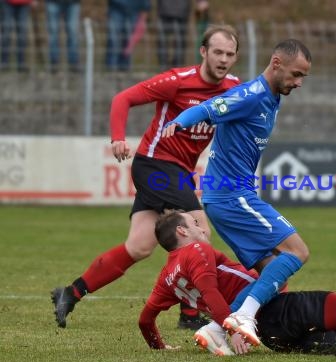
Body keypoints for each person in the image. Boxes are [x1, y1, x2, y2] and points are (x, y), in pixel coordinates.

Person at [50, 24, 241, 329]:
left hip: (177, 172)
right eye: (217, 52)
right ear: (203, 52)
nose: (223, 59)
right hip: (155, 164)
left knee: (139, 246)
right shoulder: (178, 81)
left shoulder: (234, 88)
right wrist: (117, 137)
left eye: (230, 54)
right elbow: (122, 99)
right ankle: (190, 314)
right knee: (199, 231)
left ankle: (70, 293)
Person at [161, 39, 312, 346]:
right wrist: (179, 121)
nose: (298, 83)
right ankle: (242, 316)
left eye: (303, 77)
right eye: (296, 74)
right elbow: (208, 107)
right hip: (233, 196)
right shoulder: (251, 95)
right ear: (276, 63)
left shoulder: (271, 96)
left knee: (273, 275)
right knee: (297, 251)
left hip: (227, 198)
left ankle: (217, 329)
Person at [138, 210, 336, 356]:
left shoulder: (166, 276)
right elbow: (210, 291)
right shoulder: (197, 250)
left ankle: (328, 346)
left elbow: (145, 318)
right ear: (182, 232)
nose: (200, 226)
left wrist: (158, 346)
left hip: (268, 330)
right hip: (268, 310)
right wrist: (231, 326)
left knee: (332, 337)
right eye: (194, 223)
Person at [104, 0, 150, 71]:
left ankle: (124, 68)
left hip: (135, 8)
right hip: (116, 7)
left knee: (128, 41)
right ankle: (111, 68)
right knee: (113, 39)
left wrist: (145, 7)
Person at [44, 0, 81, 73]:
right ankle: (54, 63)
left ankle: (73, 63)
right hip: (52, 2)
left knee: (72, 32)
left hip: (73, 3)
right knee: (53, 32)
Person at [156, 0, 191, 70]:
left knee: (179, 42)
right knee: (165, 42)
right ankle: (168, 67)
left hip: (178, 11)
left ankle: (173, 67)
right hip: (172, 11)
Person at [0, 0, 35, 72]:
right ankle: (4, 63)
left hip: (24, 3)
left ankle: (21, 64)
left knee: (22, 34)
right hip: (7, 3)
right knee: (6, 31)